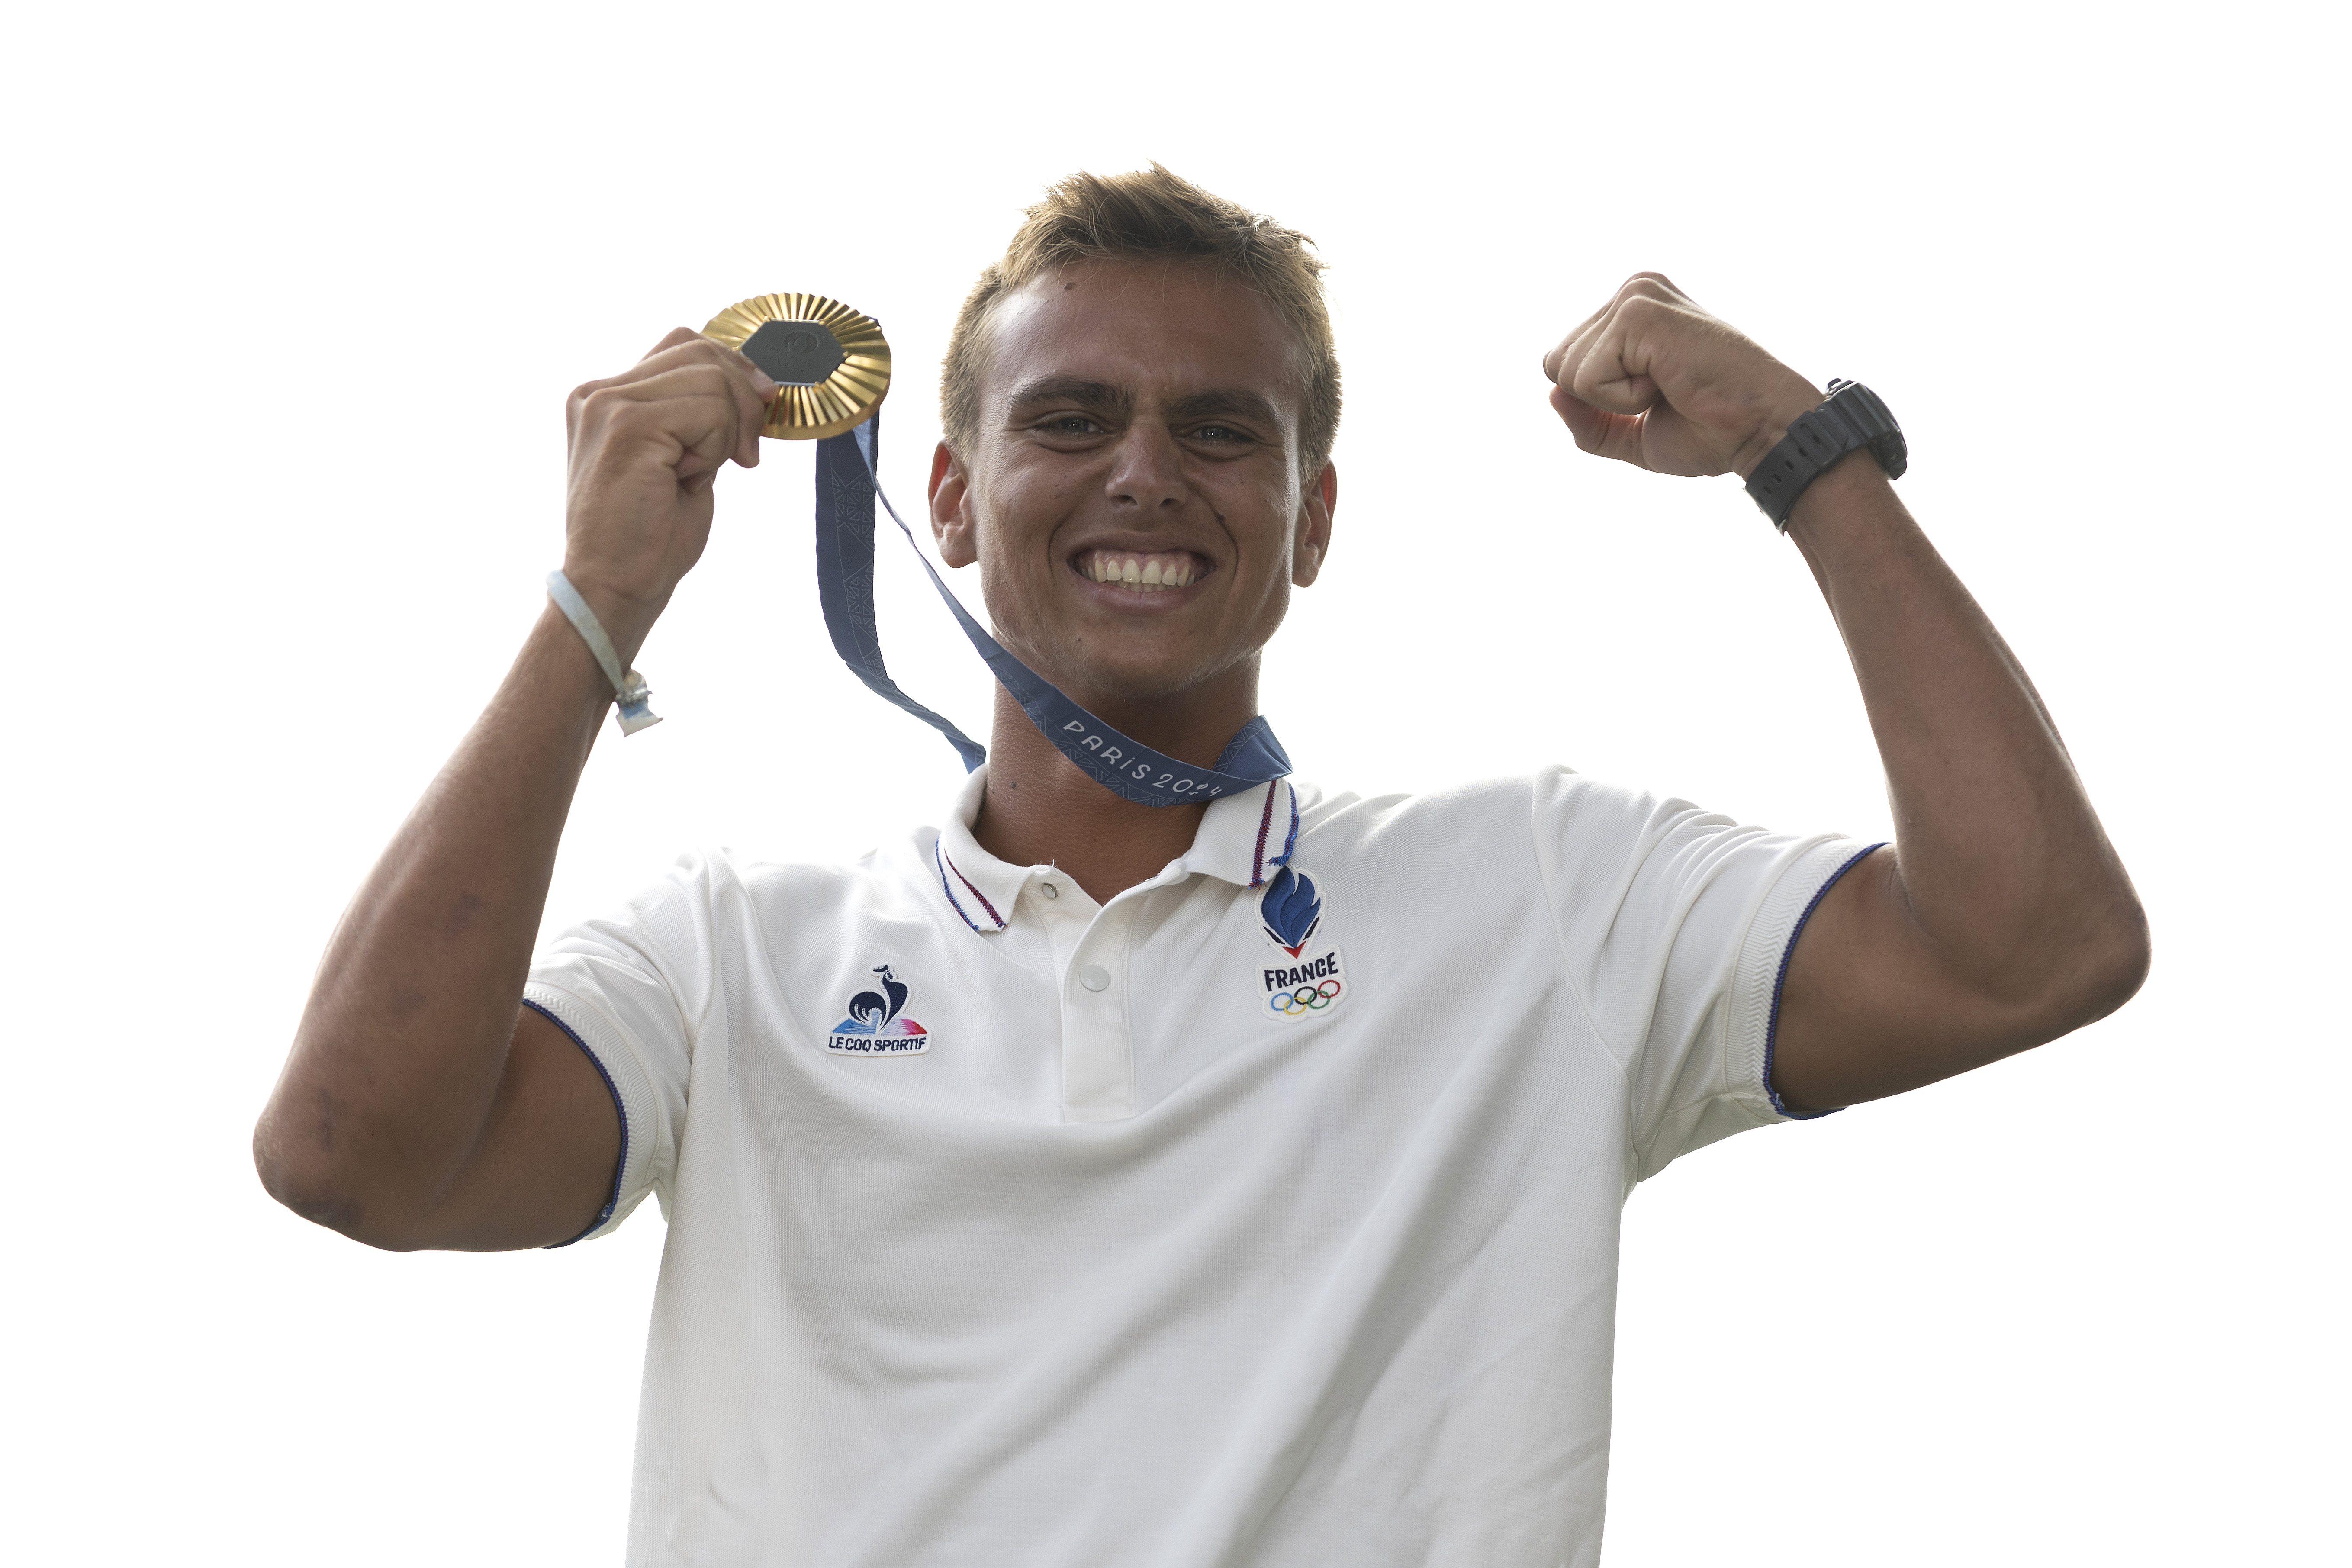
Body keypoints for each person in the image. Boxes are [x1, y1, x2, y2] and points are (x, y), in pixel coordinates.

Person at [254, 167, 2149, 1566]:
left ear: (1312, 519)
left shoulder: (1546, 900)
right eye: (1069, 418)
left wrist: (1805, 452)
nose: (1145, 473)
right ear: (947, 497)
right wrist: (602, 603)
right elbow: (354, 1158)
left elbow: (2032, 948)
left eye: (1219, 433)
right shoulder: (735, 954)